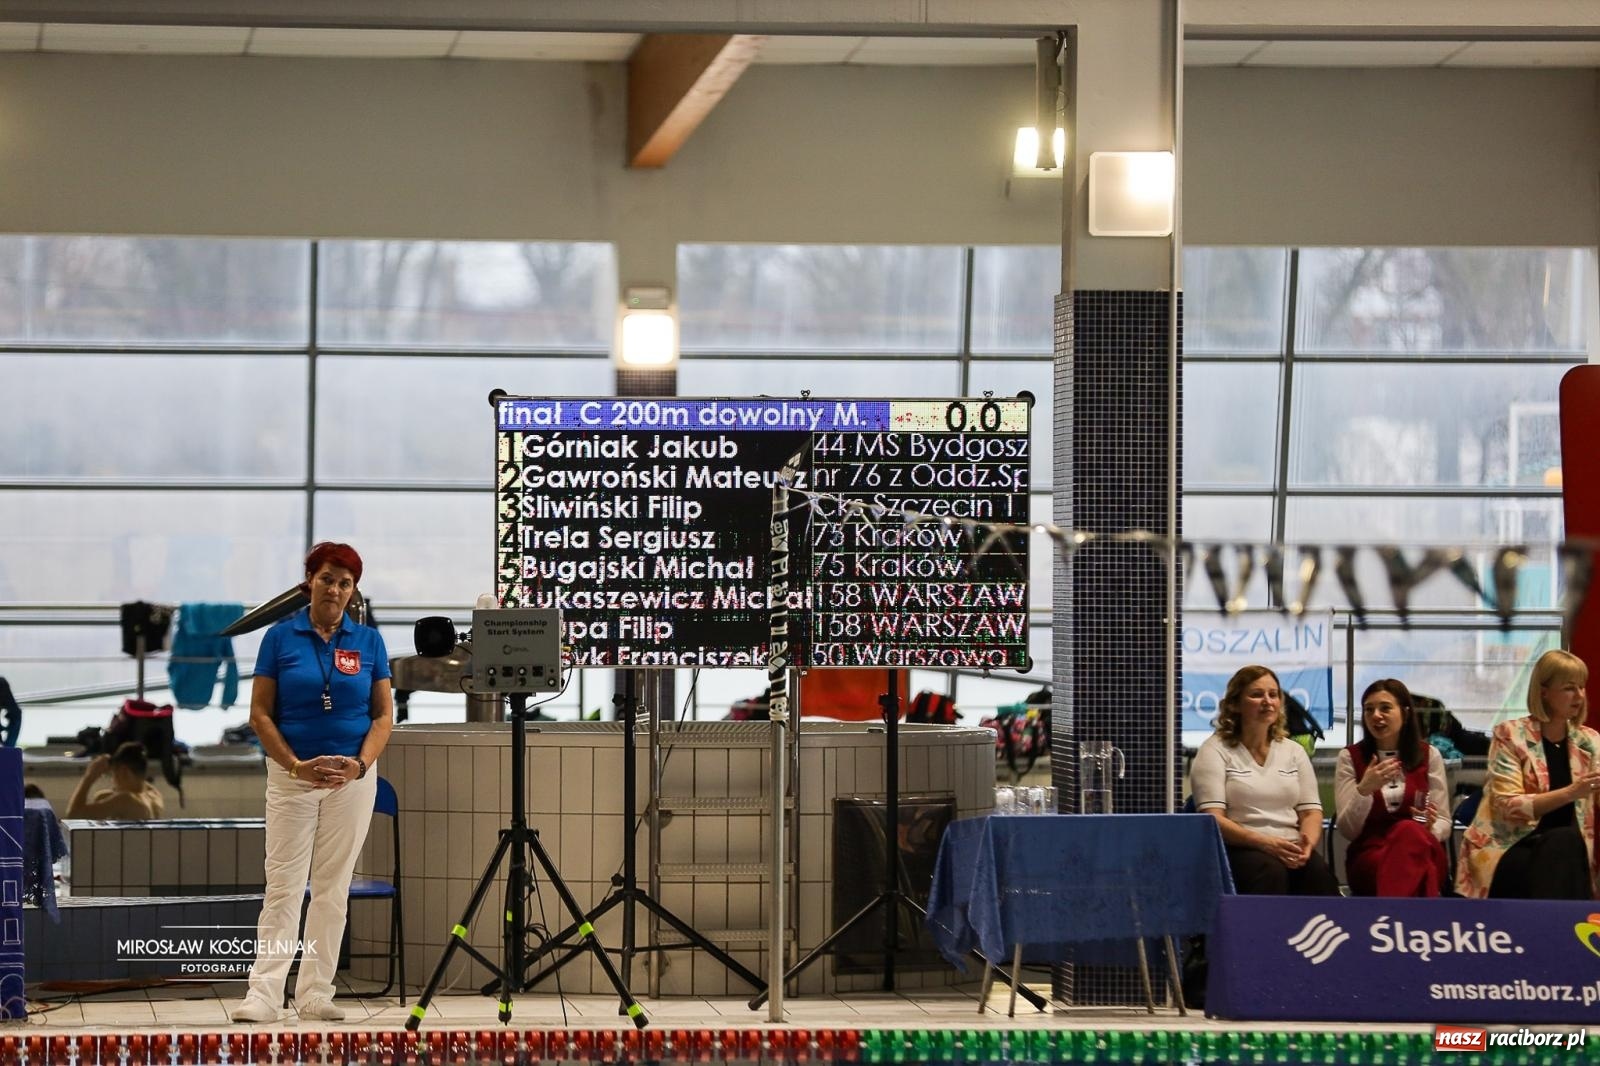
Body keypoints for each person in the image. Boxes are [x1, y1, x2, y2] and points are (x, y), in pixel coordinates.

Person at [231, 542, 393, 1024]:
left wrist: (361, 766)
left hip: (352, 781)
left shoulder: (369, 643)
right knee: (283, 885)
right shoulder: (281, 637)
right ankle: (263, 992)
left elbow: (384, 715)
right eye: (327, 579)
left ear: (353, 590)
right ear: (310, 582)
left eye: (345, 583)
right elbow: (260, 714)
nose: (336, 589)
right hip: (292, 777)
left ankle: (316, 991)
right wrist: (295, 765)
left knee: (332, 888)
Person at [1456, 649, 1600, 900]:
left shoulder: (1589, 741)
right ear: (1543, 692)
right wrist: (1572, 792)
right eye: (1569, 688)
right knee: (1563, 845)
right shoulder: (1510, 735)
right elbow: (1508, 806)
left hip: (1568, 854)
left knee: (1566, 846)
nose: (1579, 696)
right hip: (1511, 848)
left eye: (1582, 687)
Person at [1191, 664, 1340, 895]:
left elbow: (1311, 812)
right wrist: (1264, 842)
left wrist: (1306, 846)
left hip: (1289, 844)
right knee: (1270, 872)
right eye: (1256, 694)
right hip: (1240, 847)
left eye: (1273, 695)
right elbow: (1214, 818)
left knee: (1318, 874)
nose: (1267, 701)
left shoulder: (1294, 751)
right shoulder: (1214, 750)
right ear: (1234, 704)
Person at [1333, 679, 1449, 897]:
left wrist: (1430, 827)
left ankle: (1391, 916)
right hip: (1371, 854)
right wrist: (1364, 790)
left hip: (1423, 847)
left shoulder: (1429, 755)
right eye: (1369, 710)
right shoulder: (1350, 757)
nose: (1376, 715)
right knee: (1412, 850)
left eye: (1385, 708)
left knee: (1409, 831)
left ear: (1405, 714)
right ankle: (1420, 918)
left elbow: (1444, 821)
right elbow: (1348, 830)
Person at [64, 742, 165, 819]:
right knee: (101, 796)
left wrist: (89, 777)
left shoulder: (125, 800)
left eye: (113, 775)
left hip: (128, 846)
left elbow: (73, 816)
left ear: (124, 771)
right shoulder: (154, 795)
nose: (113, 783)